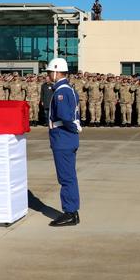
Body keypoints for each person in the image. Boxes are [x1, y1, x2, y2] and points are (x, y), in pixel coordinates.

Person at [45, 58, 82, 227]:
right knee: (69, 176)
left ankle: (70, 213)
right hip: (66, 138)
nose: (47, 75)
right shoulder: (67, 89)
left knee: (66, 178)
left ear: (56, 72)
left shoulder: (62, 91)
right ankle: (72, 211)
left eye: (49, 72)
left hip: (63, 138)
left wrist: (73, 127)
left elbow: (65, 116)